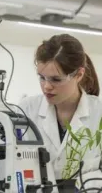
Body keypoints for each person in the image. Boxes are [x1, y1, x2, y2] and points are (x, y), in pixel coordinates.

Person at [18, 34, 102, 190]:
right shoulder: (27, 109)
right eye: (42, 77)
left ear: (79, 75)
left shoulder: (99, 113)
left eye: (56, 79)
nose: (46, 87)